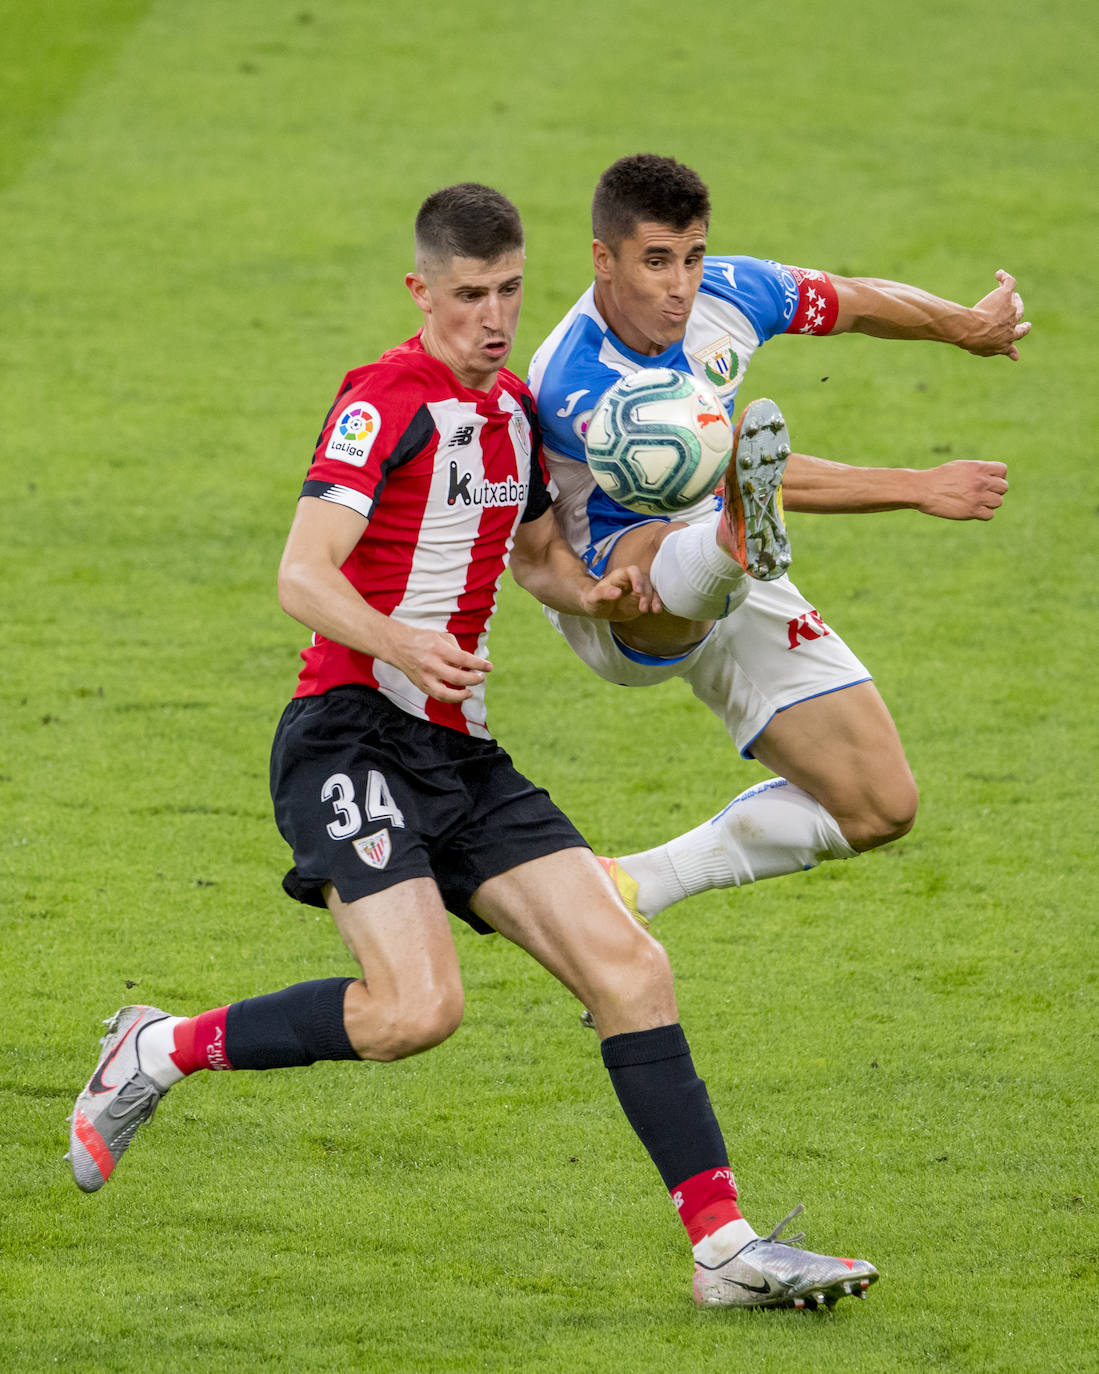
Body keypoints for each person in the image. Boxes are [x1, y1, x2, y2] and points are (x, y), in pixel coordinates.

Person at [67, 183, 878, 1311]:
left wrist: (600, 591)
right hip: (349, 737)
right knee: (415, 1012)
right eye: (468, 295)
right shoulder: (379, 400)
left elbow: (537, 558)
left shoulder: (515, 416)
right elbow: (302, 571)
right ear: (422, 291)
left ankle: (724, 1250)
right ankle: (157, 1050)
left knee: (632, 968)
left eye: (509, 291)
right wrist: (399, 637)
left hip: (462, 752)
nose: (493, 318)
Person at [528, 153, 1027, 923]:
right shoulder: (575, 377)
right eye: (655, 262)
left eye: (691, 257)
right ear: (603, 257)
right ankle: (733, 539)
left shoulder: (728, 290)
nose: (679, 284)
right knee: (674, 535)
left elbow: (857, 299)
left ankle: (632, 884)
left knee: (879, 807)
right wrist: (916, 486)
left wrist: (967, 327)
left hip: (731, 548)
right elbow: (726, 464)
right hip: (616, 591)